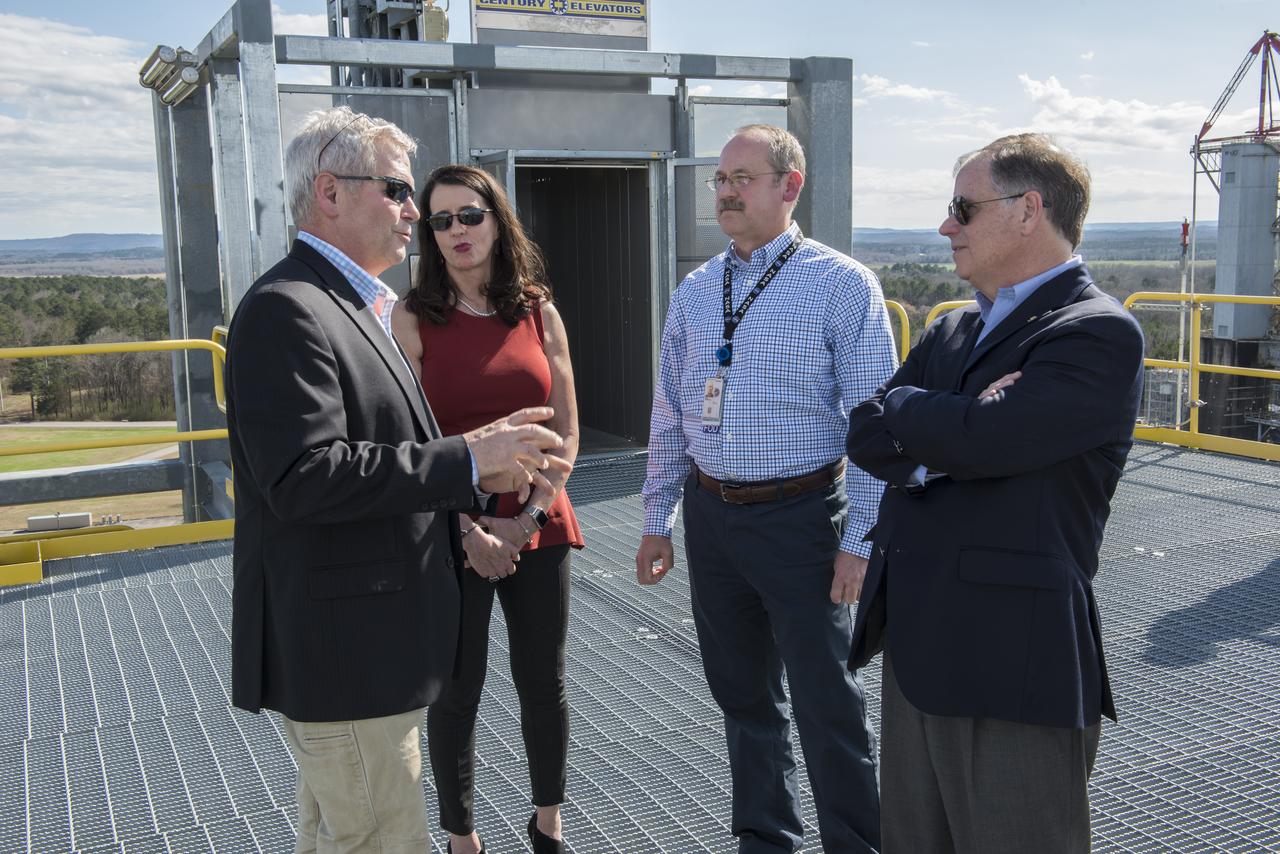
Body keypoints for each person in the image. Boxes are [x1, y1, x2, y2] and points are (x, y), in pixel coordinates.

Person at [224, 107, 568, 854]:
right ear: (330, 193)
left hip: (366, 656)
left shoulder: (349, 306)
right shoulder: (289, 310)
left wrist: (479, 479)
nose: (415, 211)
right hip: (349, 661)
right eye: (398, 190)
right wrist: (468, 460)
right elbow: (302, 476)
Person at [845, 133, 1145, 853]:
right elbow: (864, 431)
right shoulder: (952, 328)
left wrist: (928, 419)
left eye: (962, 208)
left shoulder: (1098, 332)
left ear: (1026, 210)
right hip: (920, 652)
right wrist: (958, 423)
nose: (947, 226)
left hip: (1015, 666)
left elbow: (984, 439)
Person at [634, 124, 895, 854]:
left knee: (827, 702)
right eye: (720, 180)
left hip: (803, 519)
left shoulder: (841, 285)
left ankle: (857, 844)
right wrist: (659, 516)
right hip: (714, 522)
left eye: (742, 178)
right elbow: (670, 410)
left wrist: (860, 542)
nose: (724, 192)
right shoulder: (695, 290)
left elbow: (876, 424)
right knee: (744, 699)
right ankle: (764, 839)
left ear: (791, 185)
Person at [391, 163, 582, 854]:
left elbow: (567, 431)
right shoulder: (412, 318)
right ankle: (462, 836)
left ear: (497, 219)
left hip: (540, 521)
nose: (456, 232)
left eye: (469, 215)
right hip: (450, 531)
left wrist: (525, 519)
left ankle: (548, 823)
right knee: (457, 688)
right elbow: (409, 444)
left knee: (543, 681)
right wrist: (469, 527)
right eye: (440, 221)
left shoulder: (537, 308)